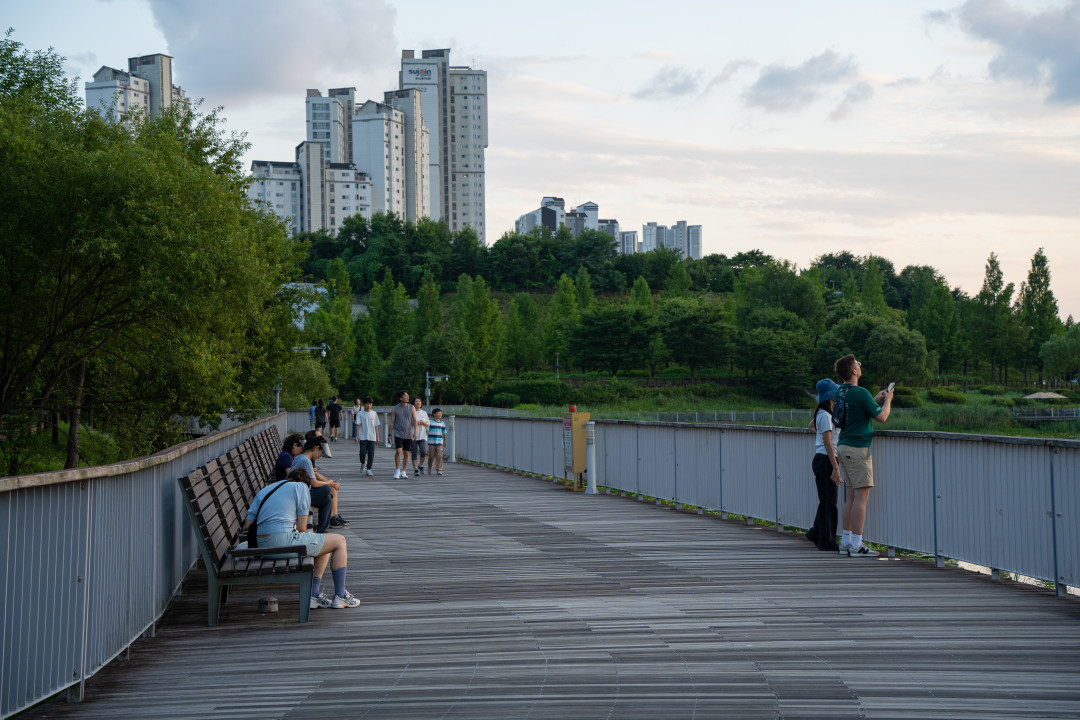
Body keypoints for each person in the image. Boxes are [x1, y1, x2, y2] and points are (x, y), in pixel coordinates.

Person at [245, 468, 360, 609]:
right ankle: (341, 596)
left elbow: (248, 525)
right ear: (308, 485)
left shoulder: (266, 489)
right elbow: (302, 527)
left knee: (322, 541)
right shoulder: (301, 487)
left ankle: (313, 594)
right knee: (340, 541)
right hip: (281, 543)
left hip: (260, 544)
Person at [833, 354, 893, 557]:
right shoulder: (860, 392)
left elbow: (857, 409)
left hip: (843, 446)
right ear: (854, 371)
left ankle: (846, 542)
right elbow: (882, 417)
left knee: (851, 496)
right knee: (861, 497)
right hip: (858, 448)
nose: (860, 364)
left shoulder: (841, 391)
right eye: (858, 363)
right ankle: (857, 545)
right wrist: (888, 401)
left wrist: (874, 399)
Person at [806, 379, 842, 552]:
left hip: (821, 458)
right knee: (829, 502)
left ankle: (816, 532)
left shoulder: (821, 413)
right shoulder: (826, 415)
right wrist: (836, 467)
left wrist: (820, 436)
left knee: (826, 500)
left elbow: (810, 426)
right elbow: (828, 443)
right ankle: (826, 540)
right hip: (826, 459)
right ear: (831, 396)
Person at [294, 437, 349, 530]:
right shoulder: (306, 461)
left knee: (327, 499)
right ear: (316, 448)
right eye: (321, 452)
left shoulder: (300, 457)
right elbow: (314, 483)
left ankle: (322, 529)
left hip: (300, 492)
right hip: (300, 494)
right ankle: (322, 529)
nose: (321, 455)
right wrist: (329, 483)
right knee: (327, 489)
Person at [391, 390, 415, 479]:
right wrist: (389, 434)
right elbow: (392, 422)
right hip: (398, 432)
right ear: (400, 398)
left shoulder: (412, 407)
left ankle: (404, 471)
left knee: (407, 453)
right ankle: (397, 470)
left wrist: (415, 432)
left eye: (408, 396)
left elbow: (415, 420)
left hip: (408, 433)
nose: (408, 397)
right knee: (398, 451)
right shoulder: (395, 408)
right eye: (406, 396)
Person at [355, 396, 380, 476]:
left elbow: (376, 426)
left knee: (371, 454)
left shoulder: (374, 413)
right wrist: (357, 436)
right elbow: (358, 425)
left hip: (372, 436)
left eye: (370, 404)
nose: (368, 405)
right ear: (364, 404)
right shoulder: (360, 413)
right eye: (367, 404)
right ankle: (363, 463)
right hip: (363, 436)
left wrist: (377, 437)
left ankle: (369, 469)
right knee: (362, 453)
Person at [411, 397, 430, 476]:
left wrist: (422, 422)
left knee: (423, 452)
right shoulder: (411, 412)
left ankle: (421, 465)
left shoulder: (424, 413)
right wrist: (415, 422)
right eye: (416, 401)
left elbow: (428, 424)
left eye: (419, 401)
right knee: (414, 453)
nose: (418, 403)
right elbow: (408, 422)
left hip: (422, 435)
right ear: (413, 403)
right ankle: (415, 469)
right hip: (412, 436)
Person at [427, 408, 447, 476]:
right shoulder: (430, 422)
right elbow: (427, 429)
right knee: (431, 456)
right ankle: (430, 467)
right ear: (434, 414)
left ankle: (439, 469)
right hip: (431, 442)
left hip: (439, 442)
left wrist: (445, 441)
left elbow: (444, 433)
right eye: (438, 413)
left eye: (441, 413)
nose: (440, 415)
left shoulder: (442, 423)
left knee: (439, 455)